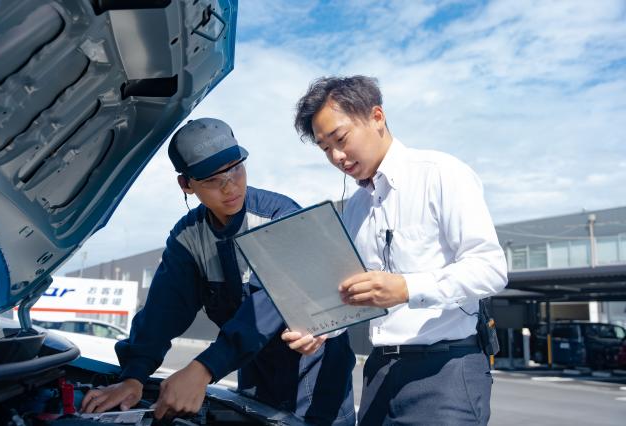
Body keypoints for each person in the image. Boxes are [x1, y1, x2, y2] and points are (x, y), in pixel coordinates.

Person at [81, 118, 356, 425]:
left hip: (315, 375)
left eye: (236, 168)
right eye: (213, 180)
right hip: (253, 371)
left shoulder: (280, 217)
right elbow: (163, 311)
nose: (230, 186)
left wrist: (203, 368)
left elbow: (270, 305)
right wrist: (133, 376)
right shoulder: (189, 238)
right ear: (187, 184)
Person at [283, 76, 508, 425]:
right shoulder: (355, 208)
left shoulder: (442, 174)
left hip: (445, 371)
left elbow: (490, 269)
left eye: (340, 139)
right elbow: (355, 297)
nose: (337, 156)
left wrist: (406, 288)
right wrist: (321, 331)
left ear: (377, 117)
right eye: (325, 148)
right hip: (379, 372)